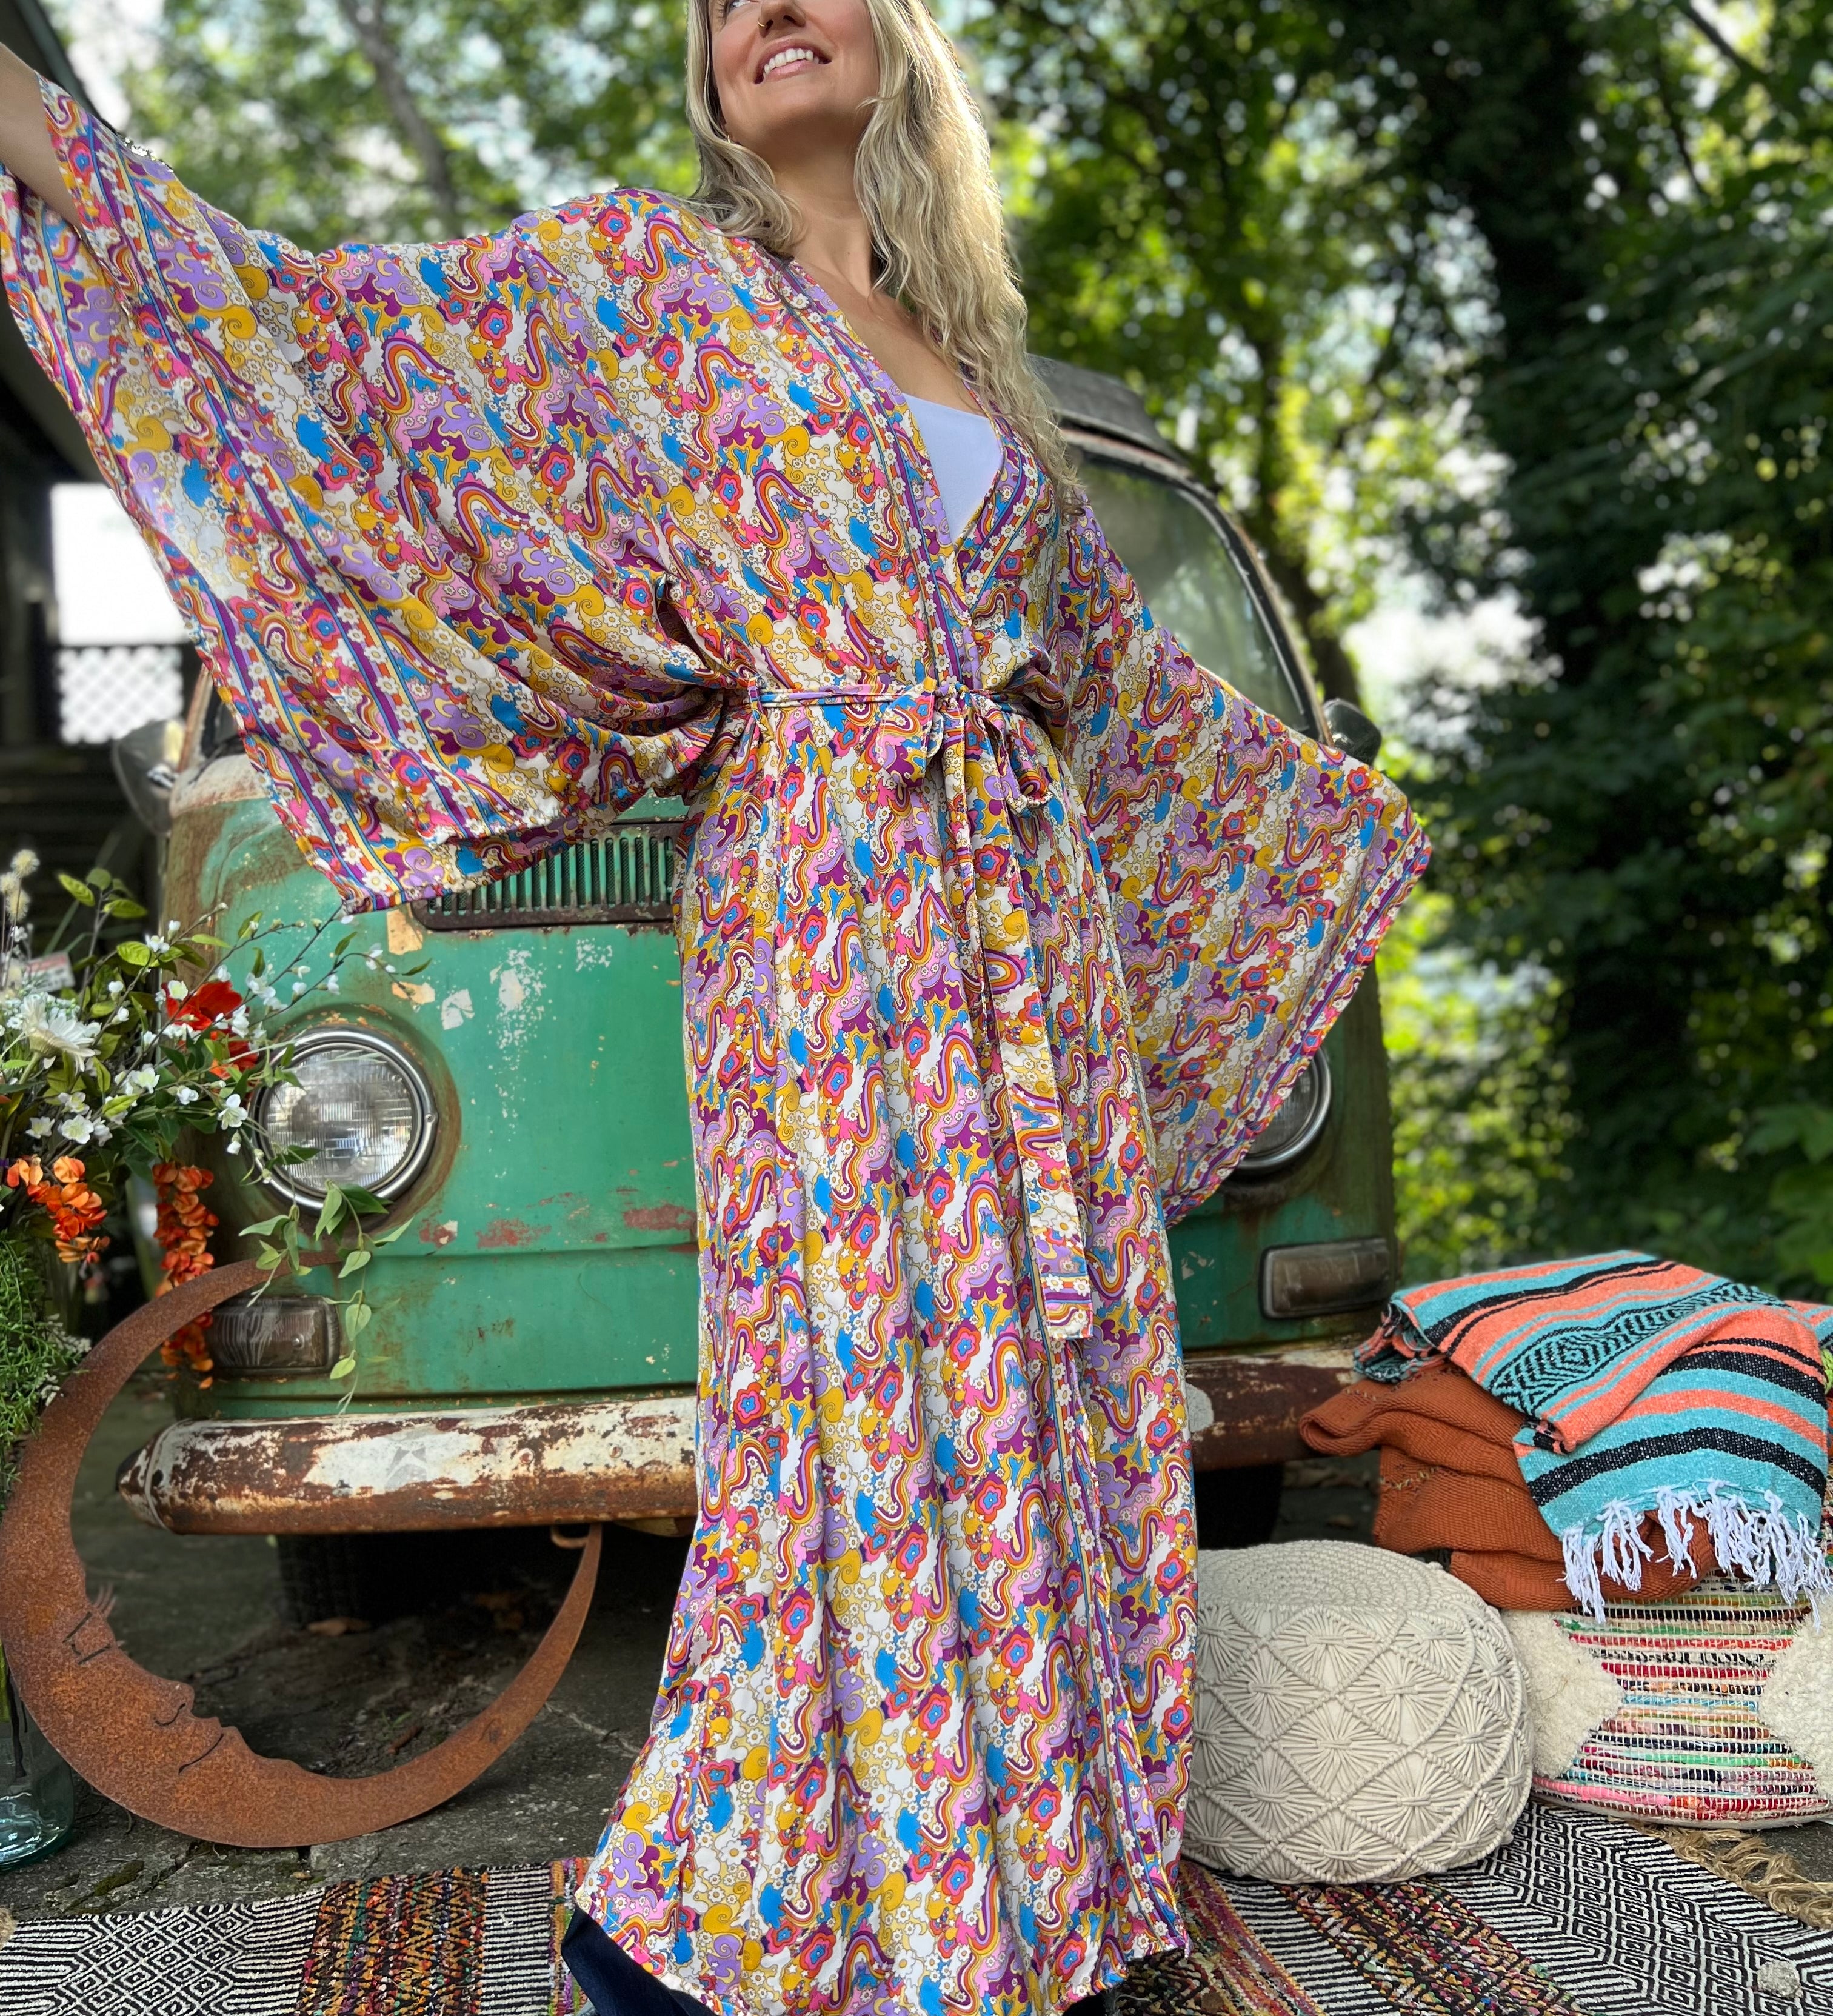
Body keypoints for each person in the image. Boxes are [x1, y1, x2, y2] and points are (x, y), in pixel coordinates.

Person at [0, 2, 1426, 2010]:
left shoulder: (985, 376)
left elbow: (1122, 702)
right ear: (702, 72)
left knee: (1056, 1391)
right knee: (863, 1400)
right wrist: (38, 128)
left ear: (892, 39)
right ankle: (761, 1913)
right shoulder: (646, 291)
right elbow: (322, 343)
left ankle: (1044, 1903)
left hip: (1032, 941)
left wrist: (1320, 832)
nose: (767, 4)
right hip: (831, 898)